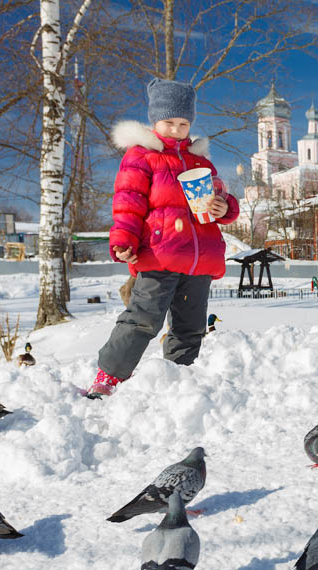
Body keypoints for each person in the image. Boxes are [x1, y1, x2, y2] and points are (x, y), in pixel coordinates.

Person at [87, 78, 239, 398]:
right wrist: (122, 241)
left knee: (191, 325)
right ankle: (109, 376)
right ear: (155, 121)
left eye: (183, 123)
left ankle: (180, 376)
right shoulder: (142, 156)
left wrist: (223, 205)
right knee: (143, 318)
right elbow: (128, 201)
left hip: (199, 259)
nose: (175, 129)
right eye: (169, 122)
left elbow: (222, 200)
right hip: (160, 253)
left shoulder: (202, 162)